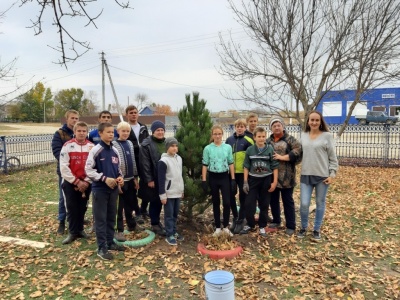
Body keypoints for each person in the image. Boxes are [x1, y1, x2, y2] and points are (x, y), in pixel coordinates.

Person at [85, 122, 125, 260]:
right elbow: (88, 170)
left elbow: (118, 169)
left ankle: (110, 242)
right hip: (100, 190)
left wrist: (120, 178)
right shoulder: (95, 150)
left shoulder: (115, 150)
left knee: (110, 217)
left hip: (113, 190)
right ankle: (101, 248)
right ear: (100, 133)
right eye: (108, 132)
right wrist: (103, 178)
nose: (111, 134)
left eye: (112, 132)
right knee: (101, 219)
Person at [297, 111, 338, 242]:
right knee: (304, 204)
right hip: (306, 175)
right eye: (312, 120)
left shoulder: (327, 136)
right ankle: (303, 227)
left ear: (320, 122)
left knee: (320, 203)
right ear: (308, 121)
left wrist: (332, 174)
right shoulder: (303, 136)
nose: (314, 122)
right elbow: (297, 155)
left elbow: (333, 158)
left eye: (317, 120)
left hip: (322, 177)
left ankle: (316, 229)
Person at [240, 126, 279, 238]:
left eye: (263, 136)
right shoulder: (250, 150)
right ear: (254, 137)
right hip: (253, 179)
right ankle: (250, 224)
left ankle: (262, 225)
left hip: (266, 179)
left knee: (264, 203)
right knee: (249, 203)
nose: (261, 139)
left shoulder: (270, 149)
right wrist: (245, 182)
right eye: (259, 137)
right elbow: (246, 166)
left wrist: (274, 182)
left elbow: (275, 166)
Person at [266, 117, 302, 236]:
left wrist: (283, 157)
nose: (276, 127)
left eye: (278, 125)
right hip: (272, 176)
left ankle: (291, 225)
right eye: (274, 125)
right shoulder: (268, 141)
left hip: (287, 177)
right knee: (273, 200)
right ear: (271, 128)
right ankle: (276, 220)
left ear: (283, 126)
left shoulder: (290, 139)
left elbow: (298, 150)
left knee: (288, 201)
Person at [59, 121, 93, 244]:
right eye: (79, 130)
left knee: (82, 207)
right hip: (71, 182)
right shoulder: (67, 146)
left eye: (84, 131)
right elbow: (63, 166)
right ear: (74, 132)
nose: (81, 133)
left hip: (86, 182)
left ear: (87, 132)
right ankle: (73, 232)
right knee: (72, 207)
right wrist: (77, 182)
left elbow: (94, 166)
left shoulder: (91, 146)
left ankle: (80, 230)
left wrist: (87, 181)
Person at [201, 125, 236, 237]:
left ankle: (225, 226)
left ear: (222, 134)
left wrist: (233, 179)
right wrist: (204, 179)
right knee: (216, 202)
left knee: (227, 202)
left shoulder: (227, 147)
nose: (217, 136)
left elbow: (231, 162)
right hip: (213, 177)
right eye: (215, 134)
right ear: (212, 135)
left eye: (219, 134)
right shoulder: (208, 148)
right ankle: (217, 228)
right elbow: (205, 164)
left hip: (224, 177)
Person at [51, 109, 79, 235]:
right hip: (65, 172)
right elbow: (57, 151)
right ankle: (62, 222)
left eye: (76, 118)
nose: (74, 120)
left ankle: (77, 220)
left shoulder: (80, 133)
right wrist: (68, 165)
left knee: (79, 197)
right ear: (67, 119)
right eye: (72, 118)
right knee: (64, 198)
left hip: (79, 172)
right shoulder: (60, 134)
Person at [113, 121, 140, 242]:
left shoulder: (129, 143)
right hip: (121, 180)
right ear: (118, 131)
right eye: (123, 131)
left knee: (130, 204)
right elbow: (114, 163)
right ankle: (118, 230)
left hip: (130, 179)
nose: (125, 133)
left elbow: (133, 160)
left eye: (128, 131)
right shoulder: (114, 144)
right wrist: (117, 181)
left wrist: (135, 177)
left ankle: (132, 224)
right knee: (120, 206)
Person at [225, 119, 254, 234]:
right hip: (231, 173)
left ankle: (241, 219)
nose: (240, 128)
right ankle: (235, 217)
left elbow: (253, 156)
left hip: (243, 173)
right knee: (231, 195)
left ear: (245, 128)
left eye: (242, 126)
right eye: (238, 126)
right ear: (235, 127)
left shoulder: (248, 140)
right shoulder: (229, 140)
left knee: (243, 197)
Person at [139, 120, 167, 236]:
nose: (160, 132)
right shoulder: (146, 144)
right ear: (153, 131)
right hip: (153, 178)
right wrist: (149, 179)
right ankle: (155, 223)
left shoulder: (167, 143)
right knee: (155, 200)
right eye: (157, 130)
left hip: (164, 177)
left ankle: (158, 222)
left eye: (162, 130)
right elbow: (144, 163)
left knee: (161, 200)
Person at [158, 137, 184, 246]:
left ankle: (174, 231)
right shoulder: (163, 161)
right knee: (168, 215)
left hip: (177, 192)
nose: (174, 148)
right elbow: (161, 179)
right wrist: (162, 195)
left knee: (175, 214)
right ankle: (169, 234)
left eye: (176, 146)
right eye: (172, 146)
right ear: (167, 147)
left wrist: (181, 190)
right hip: (168, 193)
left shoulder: (179, 159)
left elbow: (180, 176)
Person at [125, 105, 149, 223]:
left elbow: (147, 142)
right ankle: (136, 211)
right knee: (133, 187)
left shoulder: (143, 127)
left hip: (143, 161)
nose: (133, 114)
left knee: (146, 185)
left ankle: (144, 209)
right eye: (131, 113)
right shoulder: (125, 127)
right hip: (131, 161)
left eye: (135, 112)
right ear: (127, 115)